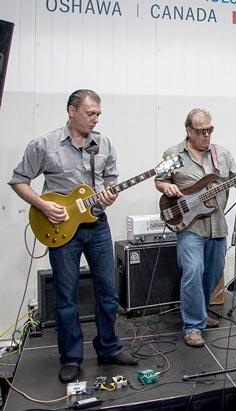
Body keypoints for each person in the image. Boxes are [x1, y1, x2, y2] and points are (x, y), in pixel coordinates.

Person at [9, 89, 138, 383]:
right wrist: (43, 205)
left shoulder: (103, 144)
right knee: (66, 298)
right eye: (90, 113)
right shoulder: (44, 144)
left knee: (108, 293)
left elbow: (111, 178)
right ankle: (70, 358)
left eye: (98, 114)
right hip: (61, 230)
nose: (95, 119)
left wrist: (110, 194)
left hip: (97, 226)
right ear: (72, 111)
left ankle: (108, 347)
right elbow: (19, 180)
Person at [155, 109, 236, 347]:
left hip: (217, 224)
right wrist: (166, 188)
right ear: (189, 131)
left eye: (210, 130)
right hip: (189, 224)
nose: (206, 135)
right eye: (201, 131)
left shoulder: (221, 154)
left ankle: (201, 313)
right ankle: (193, 326)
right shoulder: (174, 154)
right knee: (193, 270)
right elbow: (160, 180)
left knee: (213, 273)